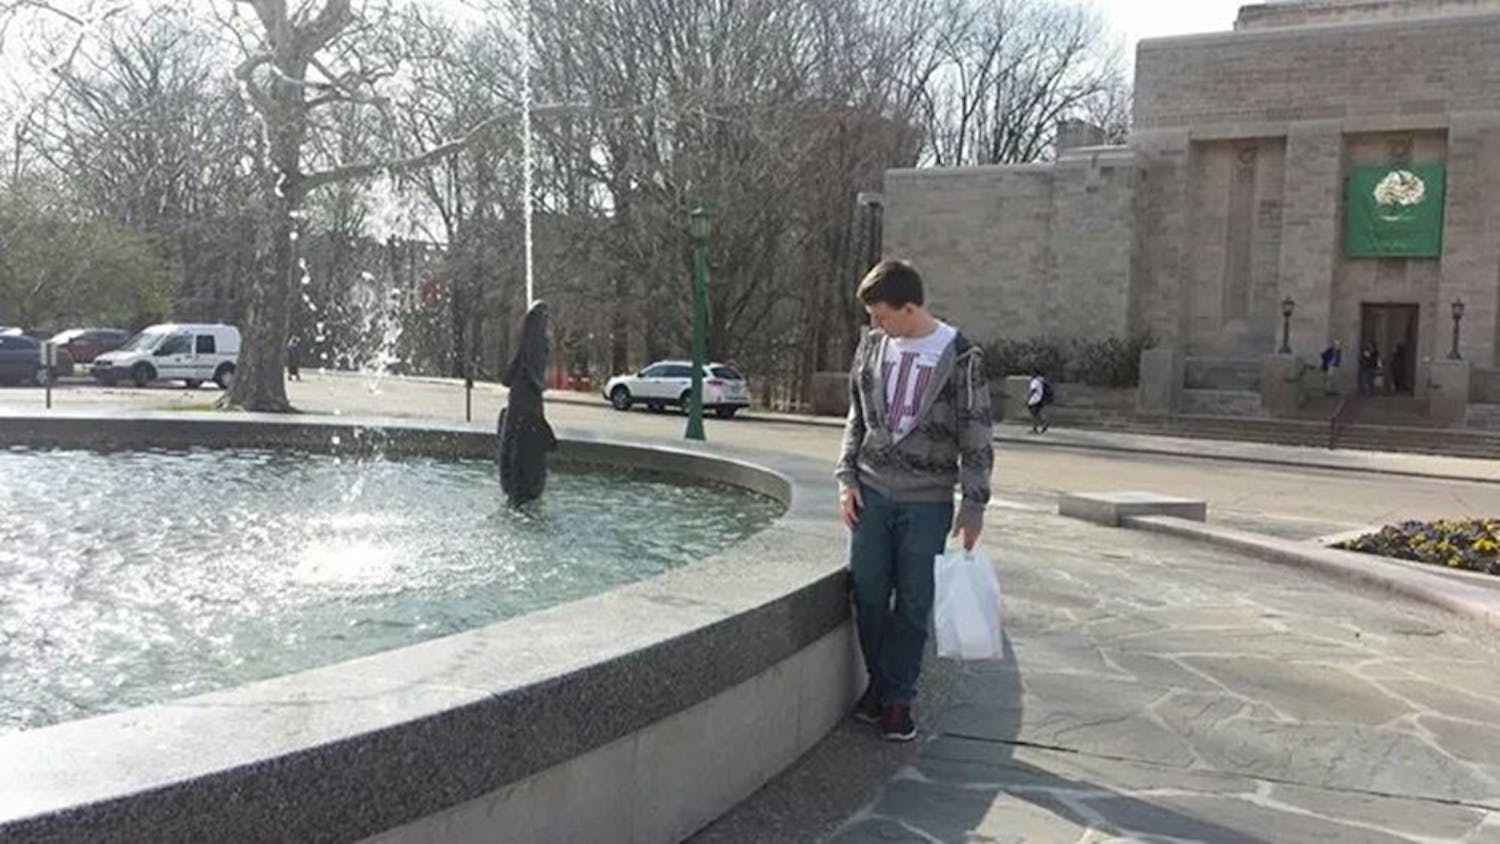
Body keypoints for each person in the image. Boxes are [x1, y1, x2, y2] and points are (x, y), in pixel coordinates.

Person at [835, 259, 994, 742]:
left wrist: (974, 505)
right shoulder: (871, 346)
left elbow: (977, 434)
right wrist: (847, 479)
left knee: (914, 601)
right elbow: (855, 417)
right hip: (872, 492)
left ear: (910, 307)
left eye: (881, 315)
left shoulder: (960, 355)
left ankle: (896, 701)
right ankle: (884, 685)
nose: (874, 324)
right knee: (865, 594)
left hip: (928, 502)